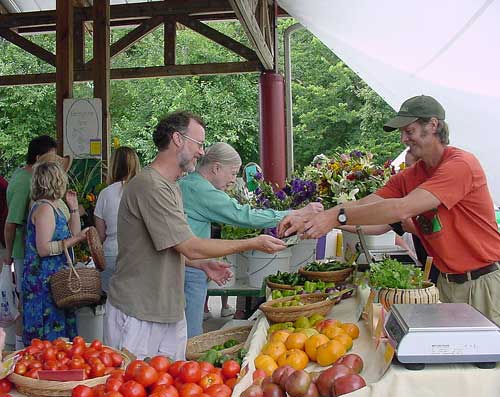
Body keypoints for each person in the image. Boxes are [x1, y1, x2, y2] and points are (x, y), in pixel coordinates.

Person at [279, 95, 500, 325]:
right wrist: (316, 216)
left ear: (433, 125)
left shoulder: (460, 165)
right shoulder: (411, 176)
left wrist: (336, 217)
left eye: (409, 130)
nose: (404, 138)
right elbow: (367, 203)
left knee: (486, 359)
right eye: (402, 132)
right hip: (446, 283)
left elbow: (400, 209)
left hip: (483, 284)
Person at [104, 111, 286, 359]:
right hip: (139, 312)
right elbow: (189, 246)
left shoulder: (170, 186)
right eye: (199, 144)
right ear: (177, 139)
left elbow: (170, 245)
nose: (202, 152)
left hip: (166, 309)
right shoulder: (150, 185)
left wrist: (201, 265)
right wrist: (253, 242)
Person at [179, 142, 323, 337]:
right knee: (190, 334)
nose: (233, 180)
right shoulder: (200, 189)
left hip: (192, 263)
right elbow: (242, 215)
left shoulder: (190, 184)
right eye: (232, 173)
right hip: (191, 268)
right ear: (216, 168)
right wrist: (294, 214)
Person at [22, 161, 88, 345]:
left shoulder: (54, 206)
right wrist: (77, 239)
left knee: (57, 338)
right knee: (48, 340)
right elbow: (44, 249)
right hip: (44, 285)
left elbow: (71, 233)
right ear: (56, 181)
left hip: (55, 283)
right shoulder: (44, 209)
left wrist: (73, 208)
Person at [2, 135, 58, 349]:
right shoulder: (23, 182)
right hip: (24, 253)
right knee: (26, 306)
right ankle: (20, 350)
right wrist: (9, 254)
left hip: (32, 252)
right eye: (50, 156)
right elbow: (11, 223)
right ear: (38, 157)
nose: (54, 161)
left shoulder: (30, 177)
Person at [94, 146, 140, 293]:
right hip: (137, 254)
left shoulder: (104, 194)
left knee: (111, 304)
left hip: (111, 254)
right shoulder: (143, 191)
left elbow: (100, 235)